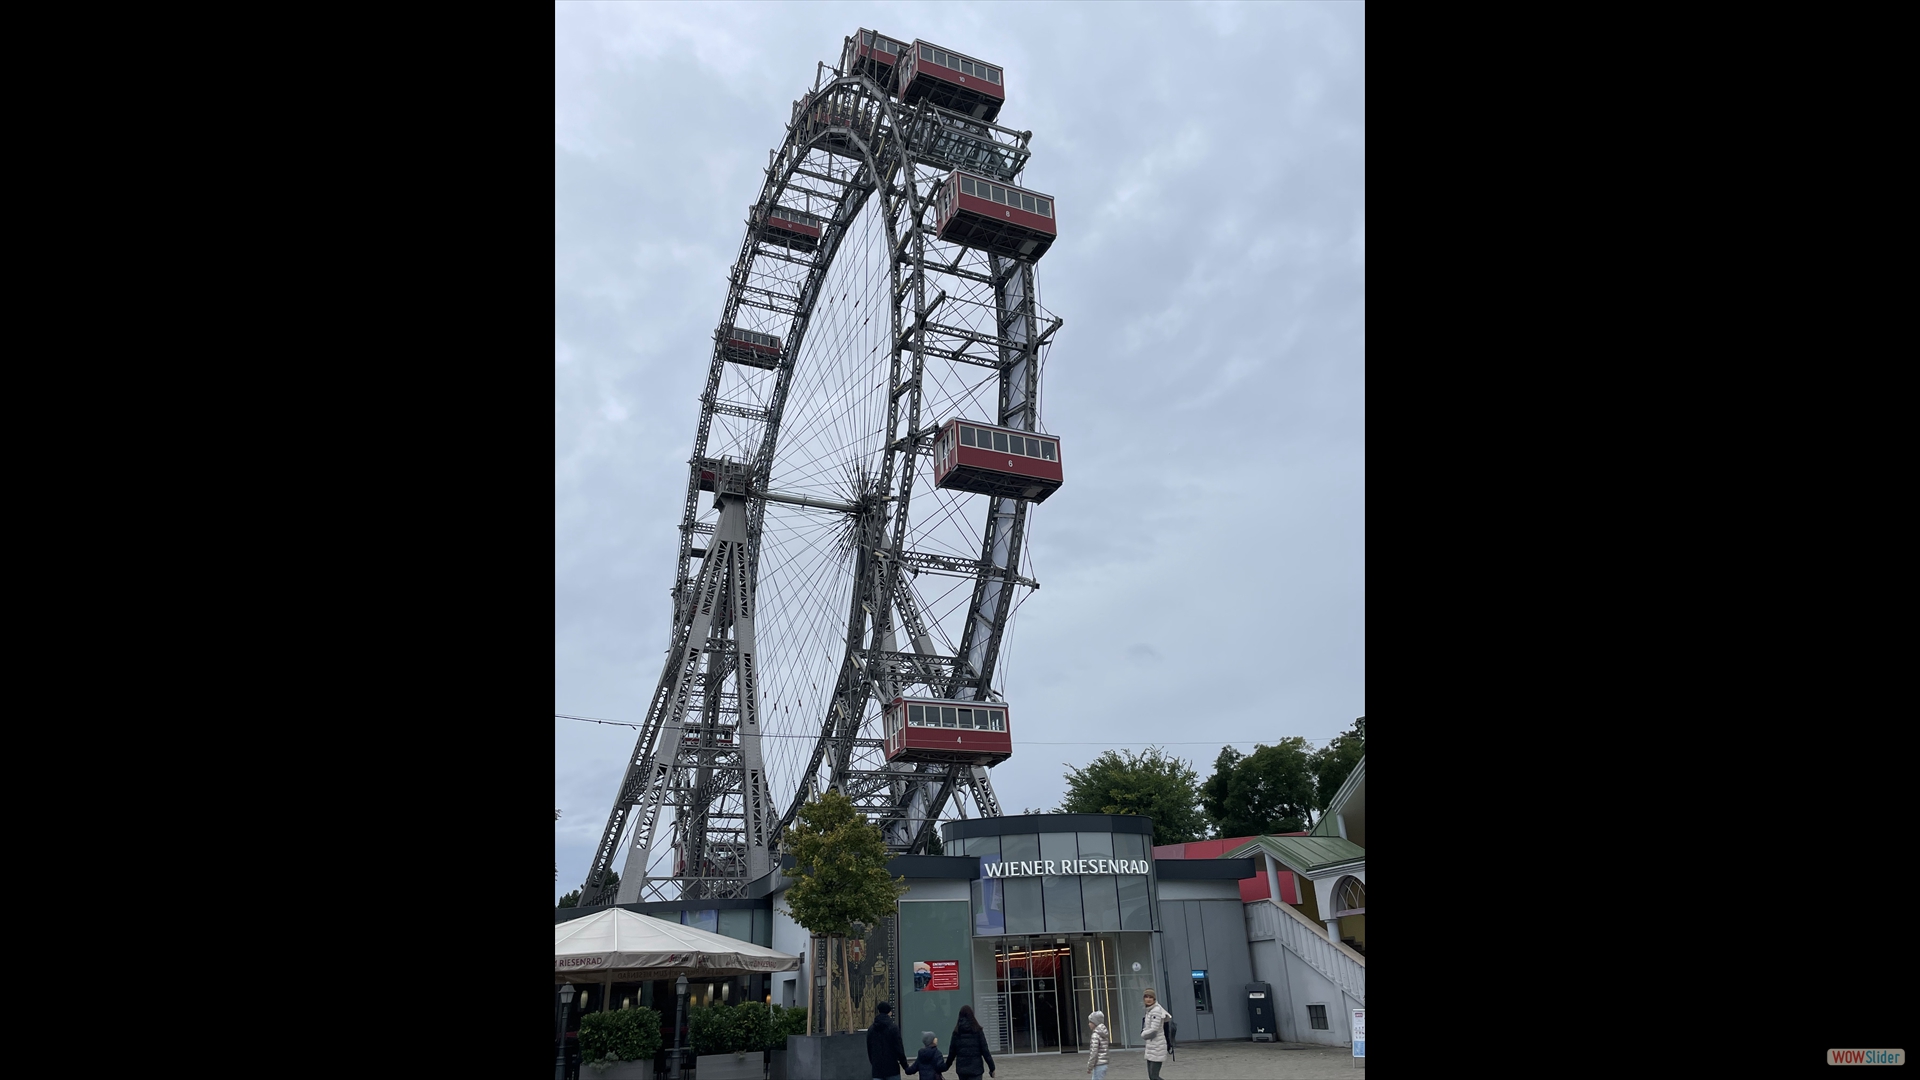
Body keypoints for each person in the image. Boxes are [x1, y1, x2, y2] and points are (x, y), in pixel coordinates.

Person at [941, 1003, 996, 1080]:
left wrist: (945, 1066)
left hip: (962, 1070)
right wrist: (992, 1068)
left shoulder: (957, 1032)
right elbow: (985, 1051)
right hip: (976, 1069)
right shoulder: (978, 1031)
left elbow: (952, 1053)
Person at [867, 1001, 913, 1080]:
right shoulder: (893, 1028)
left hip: (877, 1070)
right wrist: (905, 1066)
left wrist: (874, 1063)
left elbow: (869, 1049)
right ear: (889, 1012)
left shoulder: (871, 1029)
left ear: (879, 1011)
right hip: (892, 1069)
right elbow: (899, 1049)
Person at [1141, 990, 1173, 1080]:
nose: (1148, 999)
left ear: (1154, 999)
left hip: (1157, 1046)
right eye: (1146, 997)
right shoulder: (1149, 1010)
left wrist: (1143, 1034)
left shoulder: (1156, 1010)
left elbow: (1154, 1029)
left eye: (1150, 997)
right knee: (1152, 1076)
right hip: (1151, 1046)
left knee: (1154, 1076)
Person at [1085, 1010, 1110, 1079]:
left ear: (1095, 1023)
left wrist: (1089, 1066)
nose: (1089, 1024)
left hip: (1098, 1063)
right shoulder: (1104, 1033)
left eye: (1090, 1022)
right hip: (1104, 1063)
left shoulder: (1095, 1035)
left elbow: (1094, 1052)